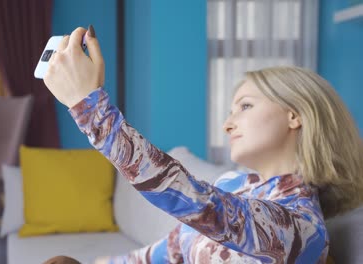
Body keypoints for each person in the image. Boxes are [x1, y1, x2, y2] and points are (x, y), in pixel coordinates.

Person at [41, 25, 363, 264]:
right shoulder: (233, 185)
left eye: (245, 106)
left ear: (295, 115)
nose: (227, 123)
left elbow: (198, 202)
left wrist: (91, 109)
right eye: (230, 110)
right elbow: (164, 252)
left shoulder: (303, 226)